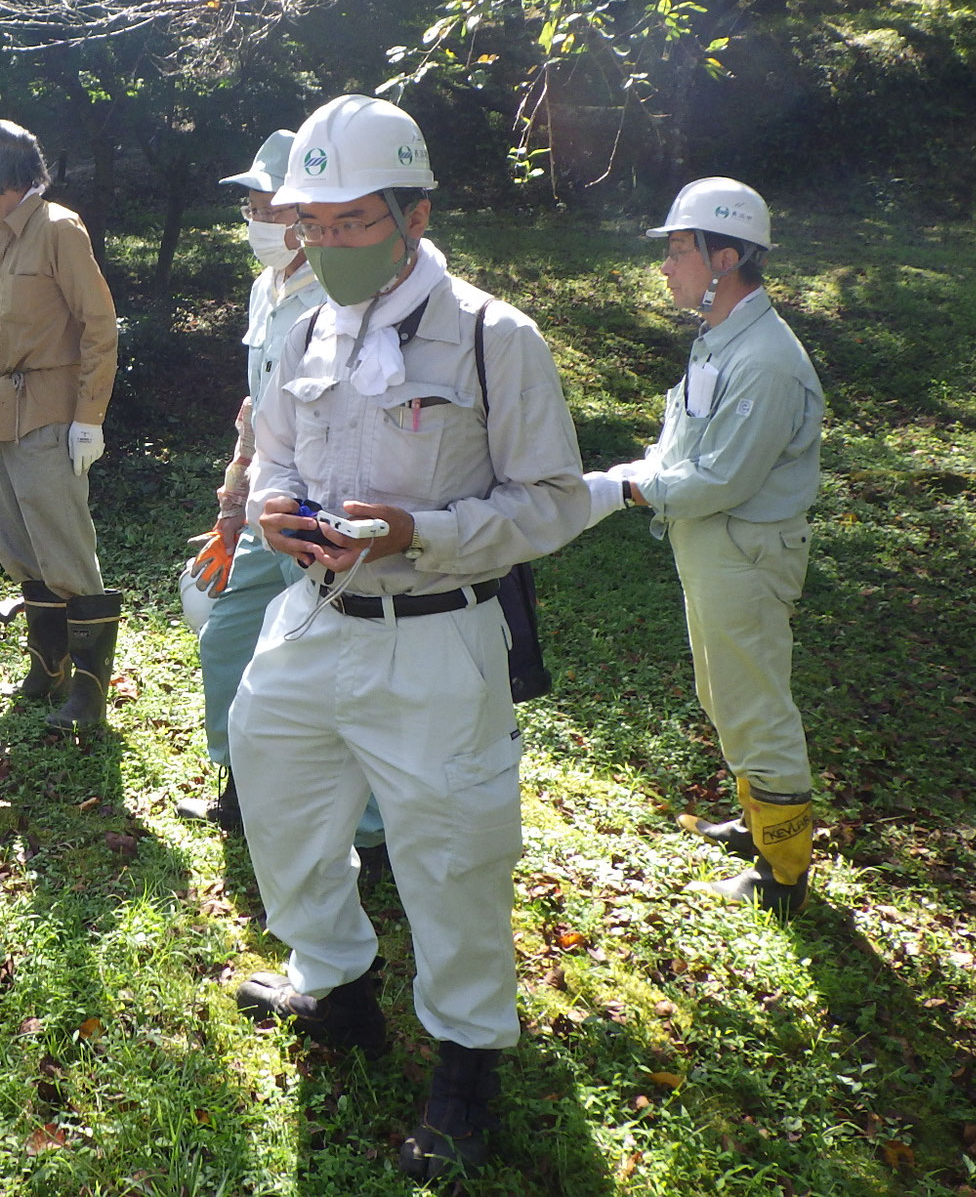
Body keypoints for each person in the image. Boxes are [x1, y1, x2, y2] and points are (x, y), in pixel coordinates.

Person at [226, 95, 589, 1182]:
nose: (326, 243)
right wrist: (273, 510)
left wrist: (415, 533)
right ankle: (333, 988)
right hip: (310, 620)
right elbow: (279, 458)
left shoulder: (491, 334)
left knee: (451, 854)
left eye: (349, 221)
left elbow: (553, 502)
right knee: (275, 799)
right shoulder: (300, 325)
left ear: (411, 213)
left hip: (435, 638)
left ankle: (467, 1059)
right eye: (313, 224)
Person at [584, 178, 823, 918]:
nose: (666, 265)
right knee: (724, 694)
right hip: (714, 548)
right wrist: (640, 474)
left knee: (756, 705)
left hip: (745, 552)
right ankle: (759, 823)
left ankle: (783, 873)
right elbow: (686, 441)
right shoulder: (723, 337)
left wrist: (625, 489)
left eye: (679, 249)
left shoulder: (766, 360)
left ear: (724, 258)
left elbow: (722, 476)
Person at [175, 131, 387, 868]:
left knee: (336, 669)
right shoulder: (268, 292)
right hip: (268, 504)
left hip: (321, 511)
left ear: (304, 215)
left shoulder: (336, 295)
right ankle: (245, 787)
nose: (258, 217)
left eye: (271, 204)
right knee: (229, 637)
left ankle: (370, 832)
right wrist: (232, 513)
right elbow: (254, 413)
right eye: (252, 205)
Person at [0, 119, 121, 729]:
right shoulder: (1, 235)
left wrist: (89, 419)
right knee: (24, 547)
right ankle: (47, 665)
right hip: (7, 409)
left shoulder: (57, 228)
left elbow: (99, 326)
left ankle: (88, 696)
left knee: (65, 549)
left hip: (52, 410)